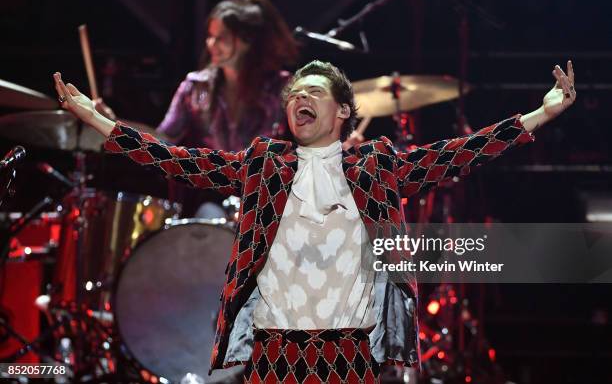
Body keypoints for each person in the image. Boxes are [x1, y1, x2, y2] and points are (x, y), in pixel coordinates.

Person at [53, 58, 575, 383]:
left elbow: (460, 153)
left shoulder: (377, 166)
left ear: (345, 111)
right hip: (275, 352)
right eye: (293, 95)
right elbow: (178, 160)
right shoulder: (263, 164)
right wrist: (99, 120)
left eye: (314, 93)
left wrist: (541, 115)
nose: (298, 100)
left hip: (348, 354)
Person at [96, 0, 299, 217]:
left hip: (268, 197)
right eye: (210, 36)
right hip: (214, 195)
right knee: (207, 220)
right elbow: (164, 139)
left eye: (220, 37)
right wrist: (113, 124)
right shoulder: (195, 86)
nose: (210, 44)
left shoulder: (283, 87)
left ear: (245, 41)